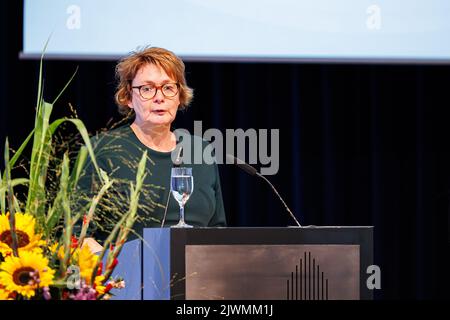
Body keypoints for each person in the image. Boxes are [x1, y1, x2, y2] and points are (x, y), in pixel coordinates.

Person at [78, 47, 226, 239]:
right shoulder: (102, 149)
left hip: (199, 268)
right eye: (147, 89)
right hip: (126, 268)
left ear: (179, 96)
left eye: (168, 88)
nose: (159, 97)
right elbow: (76, 235)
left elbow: (218, 229)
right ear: (128, 97)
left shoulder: (200, 150)